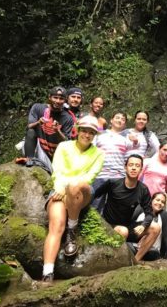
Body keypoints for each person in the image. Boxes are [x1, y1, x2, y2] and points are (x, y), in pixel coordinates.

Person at [41, 115, 104, 282]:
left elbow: (89, 177)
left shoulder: (99, 154)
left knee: (75, 185)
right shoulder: (63, 146)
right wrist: (61, 188)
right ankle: (47, 273)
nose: (87, 135)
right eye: (84, 131)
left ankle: (72, 228)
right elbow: (57, 170)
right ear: (78, 130)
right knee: (56, 225)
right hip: (60, 188)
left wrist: (68, 187)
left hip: (82, 192)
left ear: (94, 135)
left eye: (91, 132)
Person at [94, 154, 161, 262]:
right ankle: (116, 262)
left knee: (155, 227)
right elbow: (93, 196)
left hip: (127, 226)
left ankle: (135, 261)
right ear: (125, 167)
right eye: (131, 165)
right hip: (109, 226)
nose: (134, 168)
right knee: (123, 231)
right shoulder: (113, 183)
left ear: (141, 169)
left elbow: (149, 213)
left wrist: (143, 225)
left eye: (137, 166)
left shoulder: (143, 189)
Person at [21, 86, 75, 173]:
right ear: (49, 97)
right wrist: (38, 122)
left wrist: (57, 131)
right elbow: (29, 127)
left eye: (61, 99)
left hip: (54, 152)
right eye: (55, 97)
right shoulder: (38, 108)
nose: (58, 101)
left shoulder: (68, 118)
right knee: (31, 132)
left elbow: (67, 141)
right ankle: (29, 160)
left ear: (65, 100)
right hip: (39, 146)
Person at [92, 111, 134, 206]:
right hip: (100, 174)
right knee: (95, 204)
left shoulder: (127, 139)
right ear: (111, 120)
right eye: (117, 118)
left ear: (125, 124)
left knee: (115, 206)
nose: (119, 120)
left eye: (123, 119)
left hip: (118, 176)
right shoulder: (99, 134)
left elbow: (130, 156)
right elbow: (91, 152)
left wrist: (135, 140)